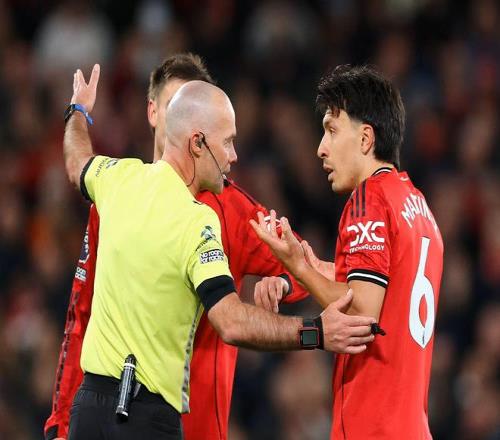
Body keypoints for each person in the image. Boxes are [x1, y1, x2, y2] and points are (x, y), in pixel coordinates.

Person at [62, 64, 376, 439]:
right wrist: (317, 332)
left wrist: (78, 111)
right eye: (227, 142)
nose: (234, 155)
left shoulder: (118, 177)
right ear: (197, 144)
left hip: (89, 411)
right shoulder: (197, 221)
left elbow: (76, 161)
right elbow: (231, 321)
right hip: (144, 419)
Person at [251, 65, 444, 439]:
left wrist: (298, 267)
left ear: (366, 138)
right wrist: (304, 269)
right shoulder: (418, 207)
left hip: (373, 427)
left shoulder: (369, 200)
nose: (320, 148)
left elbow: (362, 315)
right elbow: (373, 285)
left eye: (331, 130)